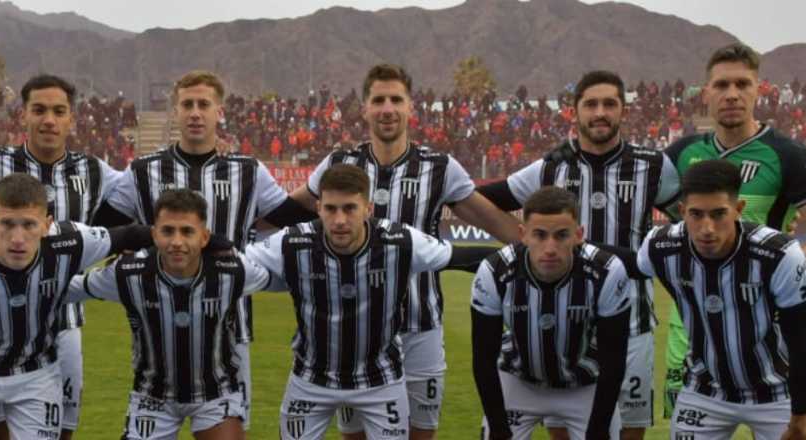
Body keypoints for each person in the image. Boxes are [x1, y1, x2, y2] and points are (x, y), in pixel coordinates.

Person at [288, 64, 520, 440]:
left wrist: (551, 249)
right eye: (378, 100)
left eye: (396, 99)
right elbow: (286, 212)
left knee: (419, 434)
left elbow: (498, 225)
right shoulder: (338, 165)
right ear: (365, 108)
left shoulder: (440, 168)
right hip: (356, 334)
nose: (387, 108)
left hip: (419, 328)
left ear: (411, 107)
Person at [104, 69, 318, 429]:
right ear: (175, 112)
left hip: (230, 328)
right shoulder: (142, 171)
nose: (195, 113)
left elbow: (287, 217)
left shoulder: (249, 171)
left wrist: (325, 194)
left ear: (219, 112)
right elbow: (106, 226)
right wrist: (139, 240)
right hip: (158, 326)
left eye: (203, 105)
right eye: (187, 105)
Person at [478, 70, 679, 440]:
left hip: (632, 322)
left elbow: (687, 221)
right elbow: (485, 199)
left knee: (628, 430)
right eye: (591, 104)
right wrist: (521, 241)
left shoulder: (654, 166)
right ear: (575, 111)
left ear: (623, 110)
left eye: (609, 104)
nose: (600, 112)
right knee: (567, 431)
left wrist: (652, 260)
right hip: (564, 330)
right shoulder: (551, 167)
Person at [246, 164, 489, 440]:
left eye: (350, 208)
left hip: (380, 382)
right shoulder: (292, 242)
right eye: (331, 209)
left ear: (368, 209)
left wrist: (517, 256)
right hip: (310, 380)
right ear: (318, 208)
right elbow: (238, 265)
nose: (339, 220)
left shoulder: (400, 241)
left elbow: (460, 257)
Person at [0, 173, 150, 440]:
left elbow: (130, 235)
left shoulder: (71, 241)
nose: (18, 238)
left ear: (47, 224)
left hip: (37, 373)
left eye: (29, 224)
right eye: (7, 224)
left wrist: (192, 245)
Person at [661, 42, 806, 418]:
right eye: (721, 85)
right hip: (693, 321)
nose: (731, 94)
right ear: (706, 94)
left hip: (765, 316)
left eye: (742, 84)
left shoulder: (787, 155)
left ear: (758, 90)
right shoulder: (680, 154)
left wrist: (783, 265)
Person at [0, 73, 122, 440]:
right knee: (0, 430)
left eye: (58, 111)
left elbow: (146, 200)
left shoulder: (95, 172)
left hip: (63, 323)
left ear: (72, 118)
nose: (49, 120)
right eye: (39, 110)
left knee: (61, 429)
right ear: (23, 114)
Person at [637, 160, 806, 439]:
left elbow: (800, 342)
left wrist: (801, 418)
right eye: (696, 214)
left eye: (719, 214)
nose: (707, 228)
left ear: (738, 209)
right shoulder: (660, 246)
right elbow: (624, 266)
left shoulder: (779, 255)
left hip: (778, 393)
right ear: (682, 211)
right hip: (705, 391)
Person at [65, 189, 265, 440]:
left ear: (205, 237)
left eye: (187, 231)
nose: (177, 242)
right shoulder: (128, 273)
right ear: (153, 234)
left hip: (216, 395)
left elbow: (282, 277)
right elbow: (67, 289)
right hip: (152, 397)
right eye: (168, 231)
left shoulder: (233, 271)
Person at [472, 186, 630, 440]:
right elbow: (483, 359)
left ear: (579, 235)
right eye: (540, 235)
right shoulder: (495, 271)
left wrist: (598, 430)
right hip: (517, 382)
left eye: (561, 235)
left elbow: (614, 359)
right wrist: (498, 427)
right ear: (523, 235)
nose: (550, 248)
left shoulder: (607, 271)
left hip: (585, 385)